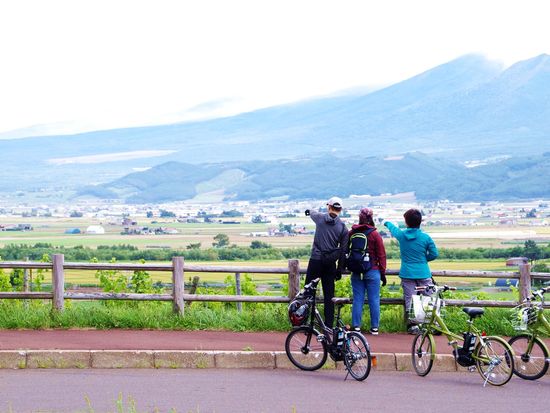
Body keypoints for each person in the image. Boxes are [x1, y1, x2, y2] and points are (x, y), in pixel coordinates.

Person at [383, 208, 438, 334]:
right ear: (420, 222)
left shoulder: (402, 236)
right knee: (428, 298)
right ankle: (429, 324)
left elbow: (393, 229)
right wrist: (423, 260)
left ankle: (412, 326)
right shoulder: (425, 237)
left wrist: (387, 222)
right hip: (423, 272)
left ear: (406, 222)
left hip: (407, 273)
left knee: (410, 299)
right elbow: (434, 254)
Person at [304, 196, 349, 328]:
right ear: (340, 210)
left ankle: (305, 322)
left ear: (328, 206)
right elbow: (343, 251)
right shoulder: (343, 228)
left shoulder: (319, 218)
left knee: (308, 291)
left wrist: (308, 210)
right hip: (330, 263)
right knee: (329, 295)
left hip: (315, 260)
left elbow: (311, 212)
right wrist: (339, 269)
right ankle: (328, 326)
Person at [348, 208, 387, 335]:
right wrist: (383, 272)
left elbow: (345, 249)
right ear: (371, 218)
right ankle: (374, 327)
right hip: (372, 270)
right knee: (374, 299)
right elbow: (381, 255)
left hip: (356, 271)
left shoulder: (352, 232)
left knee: (357, 299)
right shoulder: (375, 234)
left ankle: (356, 326)